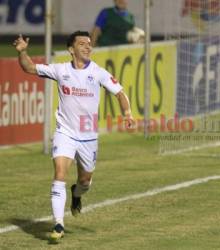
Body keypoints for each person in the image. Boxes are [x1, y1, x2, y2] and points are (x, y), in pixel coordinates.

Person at [13, 31, 133, 242]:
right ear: (71, 50)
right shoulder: (60, 70)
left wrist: (127, 114)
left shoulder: (98, 72)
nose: (88, 47)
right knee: (59, 172)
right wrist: (23, 52)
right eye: (82, 44)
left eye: (89, 44)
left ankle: (76, 195)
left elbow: (120, 93)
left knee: (85, 181)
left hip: (88, 137)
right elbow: (29, 67)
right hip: (65, 132)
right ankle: (58, 224)